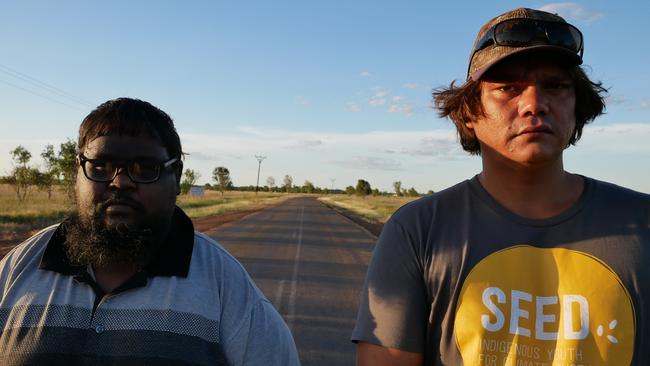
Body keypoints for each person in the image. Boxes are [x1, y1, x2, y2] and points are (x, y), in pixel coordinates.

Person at [352, 7, 650, 366]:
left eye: (555, 85)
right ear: (469, 114)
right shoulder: (418, 231)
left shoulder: (643, 223)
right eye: (508, 87)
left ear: (577, 106)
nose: (534, 104)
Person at [0, 98, 300, 365]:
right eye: (101, 166)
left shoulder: (224, 285)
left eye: (145, 169)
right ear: (77, 172)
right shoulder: (18, 268)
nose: (120, 182)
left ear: (177, 177)